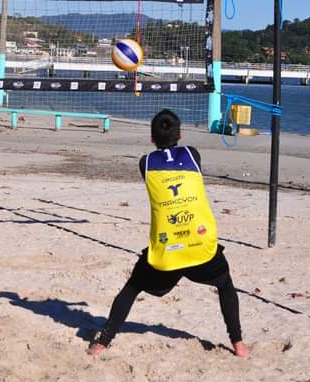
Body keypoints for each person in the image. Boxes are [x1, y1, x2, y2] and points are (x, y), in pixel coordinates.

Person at [87, 109, 248, 358]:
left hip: (167, 251)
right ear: (181, 134)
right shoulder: (193, 155)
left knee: (132, 288)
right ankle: (238, 344)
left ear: (151, 139)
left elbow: (160, 159)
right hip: (199, 244)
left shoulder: (146, 163)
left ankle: (103, 342)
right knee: (225, 285)